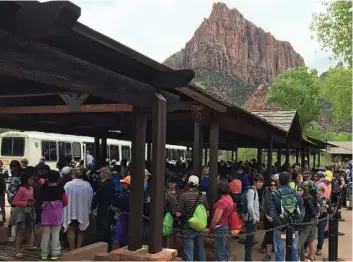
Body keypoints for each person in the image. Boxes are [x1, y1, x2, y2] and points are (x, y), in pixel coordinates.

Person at [269, 172, 305, 262]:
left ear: (278, 181)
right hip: (293, 227)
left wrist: (281, 225)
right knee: (294, 253)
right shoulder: (296, 194)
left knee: (280, 253)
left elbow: (273, 213)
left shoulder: (274, 194)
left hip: (279, 228)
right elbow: (302, 210)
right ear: (290, 181)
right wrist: (296, 223)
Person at [176, 175, 209, 261]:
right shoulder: (203, 196)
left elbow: (178, 214)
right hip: (200, 226)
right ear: (198, 185)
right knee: (201, 249)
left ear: (188, 184)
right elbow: (207, 213)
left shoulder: (184, 196)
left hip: (188, 227)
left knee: (189, 252)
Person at [40, 170, 68, 260]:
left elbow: (39, 200)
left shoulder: (43, 188)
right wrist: (58, 207)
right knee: (55, 233)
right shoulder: (60, 188)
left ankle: (44, 254)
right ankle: (54, 254)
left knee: (46, 234)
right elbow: (65, 201)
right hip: (56, 213)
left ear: (47, 178)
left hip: (45, 213)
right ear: (57, 179)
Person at [63, 168, 93, 250]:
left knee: (70, 229)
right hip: (82, 210)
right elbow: (90, 198)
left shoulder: (68, 185)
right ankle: (79, 248)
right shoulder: (87, 185)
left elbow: (63, 198)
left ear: (73, 175)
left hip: (70, 210)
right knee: (81, 230)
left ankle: (72, 249)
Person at [91, 167, 115, 252]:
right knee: (107, 229)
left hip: (103, 209)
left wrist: (92, 207)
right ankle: (108, 246)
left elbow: (97, 197)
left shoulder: (104, 184)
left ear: (104, 174)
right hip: (108, 208)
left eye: (100, 173)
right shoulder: (111, 183)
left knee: (102, 229)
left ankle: (102, 246)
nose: (99, 174)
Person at [12, 171, 35, 258]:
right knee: (20, 232)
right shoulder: (22, 189)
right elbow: (15, 201)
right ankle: (17, 251)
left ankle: (29, 245)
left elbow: (30, 198)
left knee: (30, 230)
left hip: (30, 211)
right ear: (26, 180)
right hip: (22, 212)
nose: (32, 180)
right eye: (31, 179)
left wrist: (32, 201)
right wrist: (26, 203)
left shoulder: (31, 188)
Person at [209, 181, 233, 261]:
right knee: (225, 251)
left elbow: (216, 219)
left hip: (220, 227)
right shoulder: (229, 198)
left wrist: (211, 227)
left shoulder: (222, 202)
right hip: (226, 226)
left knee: (219, 253)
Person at [243, 173, 264, 261]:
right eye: (259, 182)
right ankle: (248, 259)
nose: (261, 184)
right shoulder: (251, 191)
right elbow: (250, 206)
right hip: (251, 220)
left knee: (250, 241)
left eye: (262, 182)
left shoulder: (255, 191)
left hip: (252, 219)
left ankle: (248, 259)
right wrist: (255, 217)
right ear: (254, 181)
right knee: (249, 242)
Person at [297, 184, 317, 261]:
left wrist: (305, 219)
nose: (299, 192)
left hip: (305, 225)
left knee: (299, 245)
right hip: (299, 225)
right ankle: (301, 259)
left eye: (300, 190)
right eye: (298, 190)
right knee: (300, 245)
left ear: (304, 191)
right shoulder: (298, 198)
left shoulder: (307, 199)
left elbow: (314, 212)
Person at [260, 179, 278, 260]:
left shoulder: (279, 194)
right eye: (271, 185)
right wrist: (266, 215)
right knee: (269, 234)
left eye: (274, 185)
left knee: (275, 235)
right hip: (267, 217)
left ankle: (269, 249)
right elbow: (263, 205)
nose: (273, 186)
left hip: (276, 218)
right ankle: (267, 253)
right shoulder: (266, 193)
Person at [316, 186, 330, 256]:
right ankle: (307, 246)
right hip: (315, 218)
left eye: (320, 194)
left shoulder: (327, 200)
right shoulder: (314, 199)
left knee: (321, 234)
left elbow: (331, 210)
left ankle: (319, 248)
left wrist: (328, 207)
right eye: (317, 194)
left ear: (323, 193)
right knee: (311, 233)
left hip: (323, 218)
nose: (318, 196)